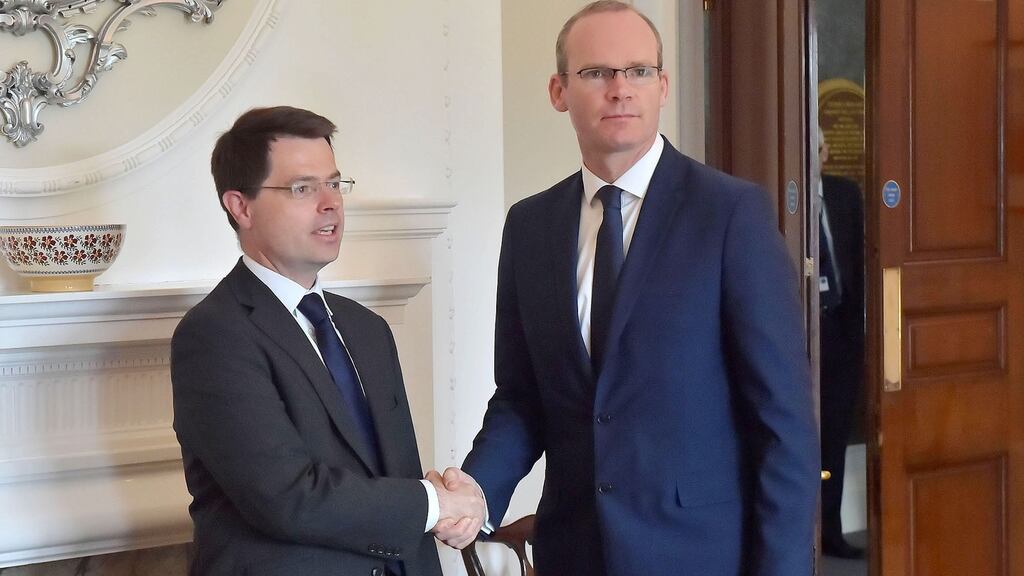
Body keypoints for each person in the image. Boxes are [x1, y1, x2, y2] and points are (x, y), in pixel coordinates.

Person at [434, 3, 820, 574]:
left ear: (663, 87)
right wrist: (478, 492)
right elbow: (523, 395)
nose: (620, 89)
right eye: (596, 73)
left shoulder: (729, 214)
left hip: (702, 554)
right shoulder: (530, 226)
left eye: (638, 71)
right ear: (559, 91)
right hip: (574, 552)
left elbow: (781, 420)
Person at [171, 106, 483, 576]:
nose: (330, 203)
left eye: (334, 184)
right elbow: (287, 497)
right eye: (302, 188)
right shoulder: (214, 335)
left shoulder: (367, 328)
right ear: (241, 206)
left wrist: (447, 505)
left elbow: (390, 479)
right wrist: (433, 503)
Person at [817, 129, 866, 559]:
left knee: (834, 437)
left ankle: (831, 531)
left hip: (840, 332)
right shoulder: (780, 191)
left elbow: (860, 260)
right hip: (800, 336)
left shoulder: (845, 194)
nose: (820, 154)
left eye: (822, 148)